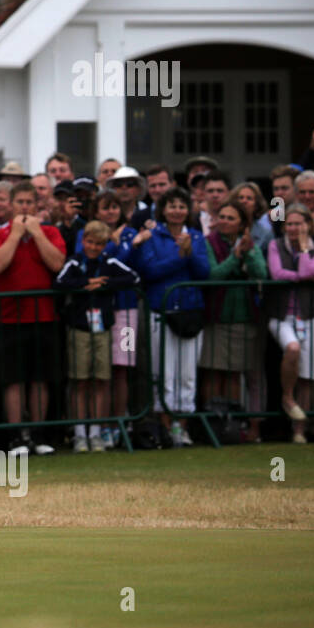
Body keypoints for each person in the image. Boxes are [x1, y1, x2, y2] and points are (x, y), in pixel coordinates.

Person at [0, 181, 66, 456]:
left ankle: (39, 434)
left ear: (37, 205)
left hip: (45, 315)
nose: (24, 208)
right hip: (10, 318)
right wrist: (16, 235)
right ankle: (17, 437)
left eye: (29, 203)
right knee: (14, 379)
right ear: (10, 205)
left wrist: (37, 234)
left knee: (40, 378)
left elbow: (57, 264)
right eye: (19, 203)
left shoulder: (51, 231)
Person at [130, 186, 209, 447]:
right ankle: (164, 428)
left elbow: (204, 273)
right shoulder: (152, 236)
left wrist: (189, 254)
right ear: (163, 210)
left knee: (187, 374)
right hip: (161, 311)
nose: (177, 211)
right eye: (172, 206)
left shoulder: (196, 237)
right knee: (164, 372)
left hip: (190, 312)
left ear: (188, 210)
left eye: (182, 206)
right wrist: (182, 256)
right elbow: (150, 271)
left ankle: (181, 427)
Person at [55, 221, 139, 452]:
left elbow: (133, 278)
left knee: (102, 379)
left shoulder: (109, 262)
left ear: (105, 245)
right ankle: (81, 433)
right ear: (84, 241)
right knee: (80, 380)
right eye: (90, 242)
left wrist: (105, 283)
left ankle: (98, 431)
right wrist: (85, 283)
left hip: (104, 328)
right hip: (80, 327)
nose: (93, 247)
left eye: (99, 243)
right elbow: (60, 282)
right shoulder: (74, 261)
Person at [202, 198, 267, 439]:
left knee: (233, 373)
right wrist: (234, 257)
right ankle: (211, 425)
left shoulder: (252, 244)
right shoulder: (209, 243)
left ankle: (232, 425)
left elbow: (262, 273)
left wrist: (247, 253)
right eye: (222, 217)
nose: (225, 222)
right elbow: (213, 275)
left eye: (231, 218)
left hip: (244, 316)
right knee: (214, 371)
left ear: (242, 224)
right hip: (217, 316)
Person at [266, 203, 314, 444]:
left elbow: (310, 268)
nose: (293, 228)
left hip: (312, 315)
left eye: (298, 223)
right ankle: (287, 398)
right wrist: (306, 276)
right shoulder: (274, 245)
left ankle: (299, 430)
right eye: (289, 223)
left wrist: (302, 251)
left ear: (308, 226)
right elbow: (277, 274)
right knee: (292, 349)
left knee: (308, 375)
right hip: (282, 316)